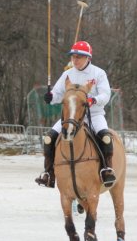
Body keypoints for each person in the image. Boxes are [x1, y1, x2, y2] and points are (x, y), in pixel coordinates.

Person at [35, 40, 116, 188]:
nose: (75, 59)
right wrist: (51, 97)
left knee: (105, 137)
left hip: (94, 115)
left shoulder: (98, 73)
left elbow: (106, 95)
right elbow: (58, 93)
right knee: (48, 138)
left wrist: (94, 100)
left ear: (88, 58)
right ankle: (49, 173)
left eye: (79, 56)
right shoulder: (68, 74)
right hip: (71, 116)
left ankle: (106, 169)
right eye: (73, 56)